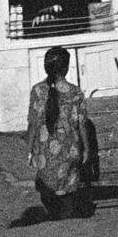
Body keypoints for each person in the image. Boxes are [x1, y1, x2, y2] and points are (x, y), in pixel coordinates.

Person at [26, 46, 92, 220]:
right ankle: (66, 215)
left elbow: (33, 123)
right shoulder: (75, 92)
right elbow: (82, 124)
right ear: (66, 68)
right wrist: (86, 148)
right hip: (70, 150)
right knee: (68, 186)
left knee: (48, 186)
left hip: (45, 152)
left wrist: (30, 149)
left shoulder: (37, 91)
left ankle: (56, 214)